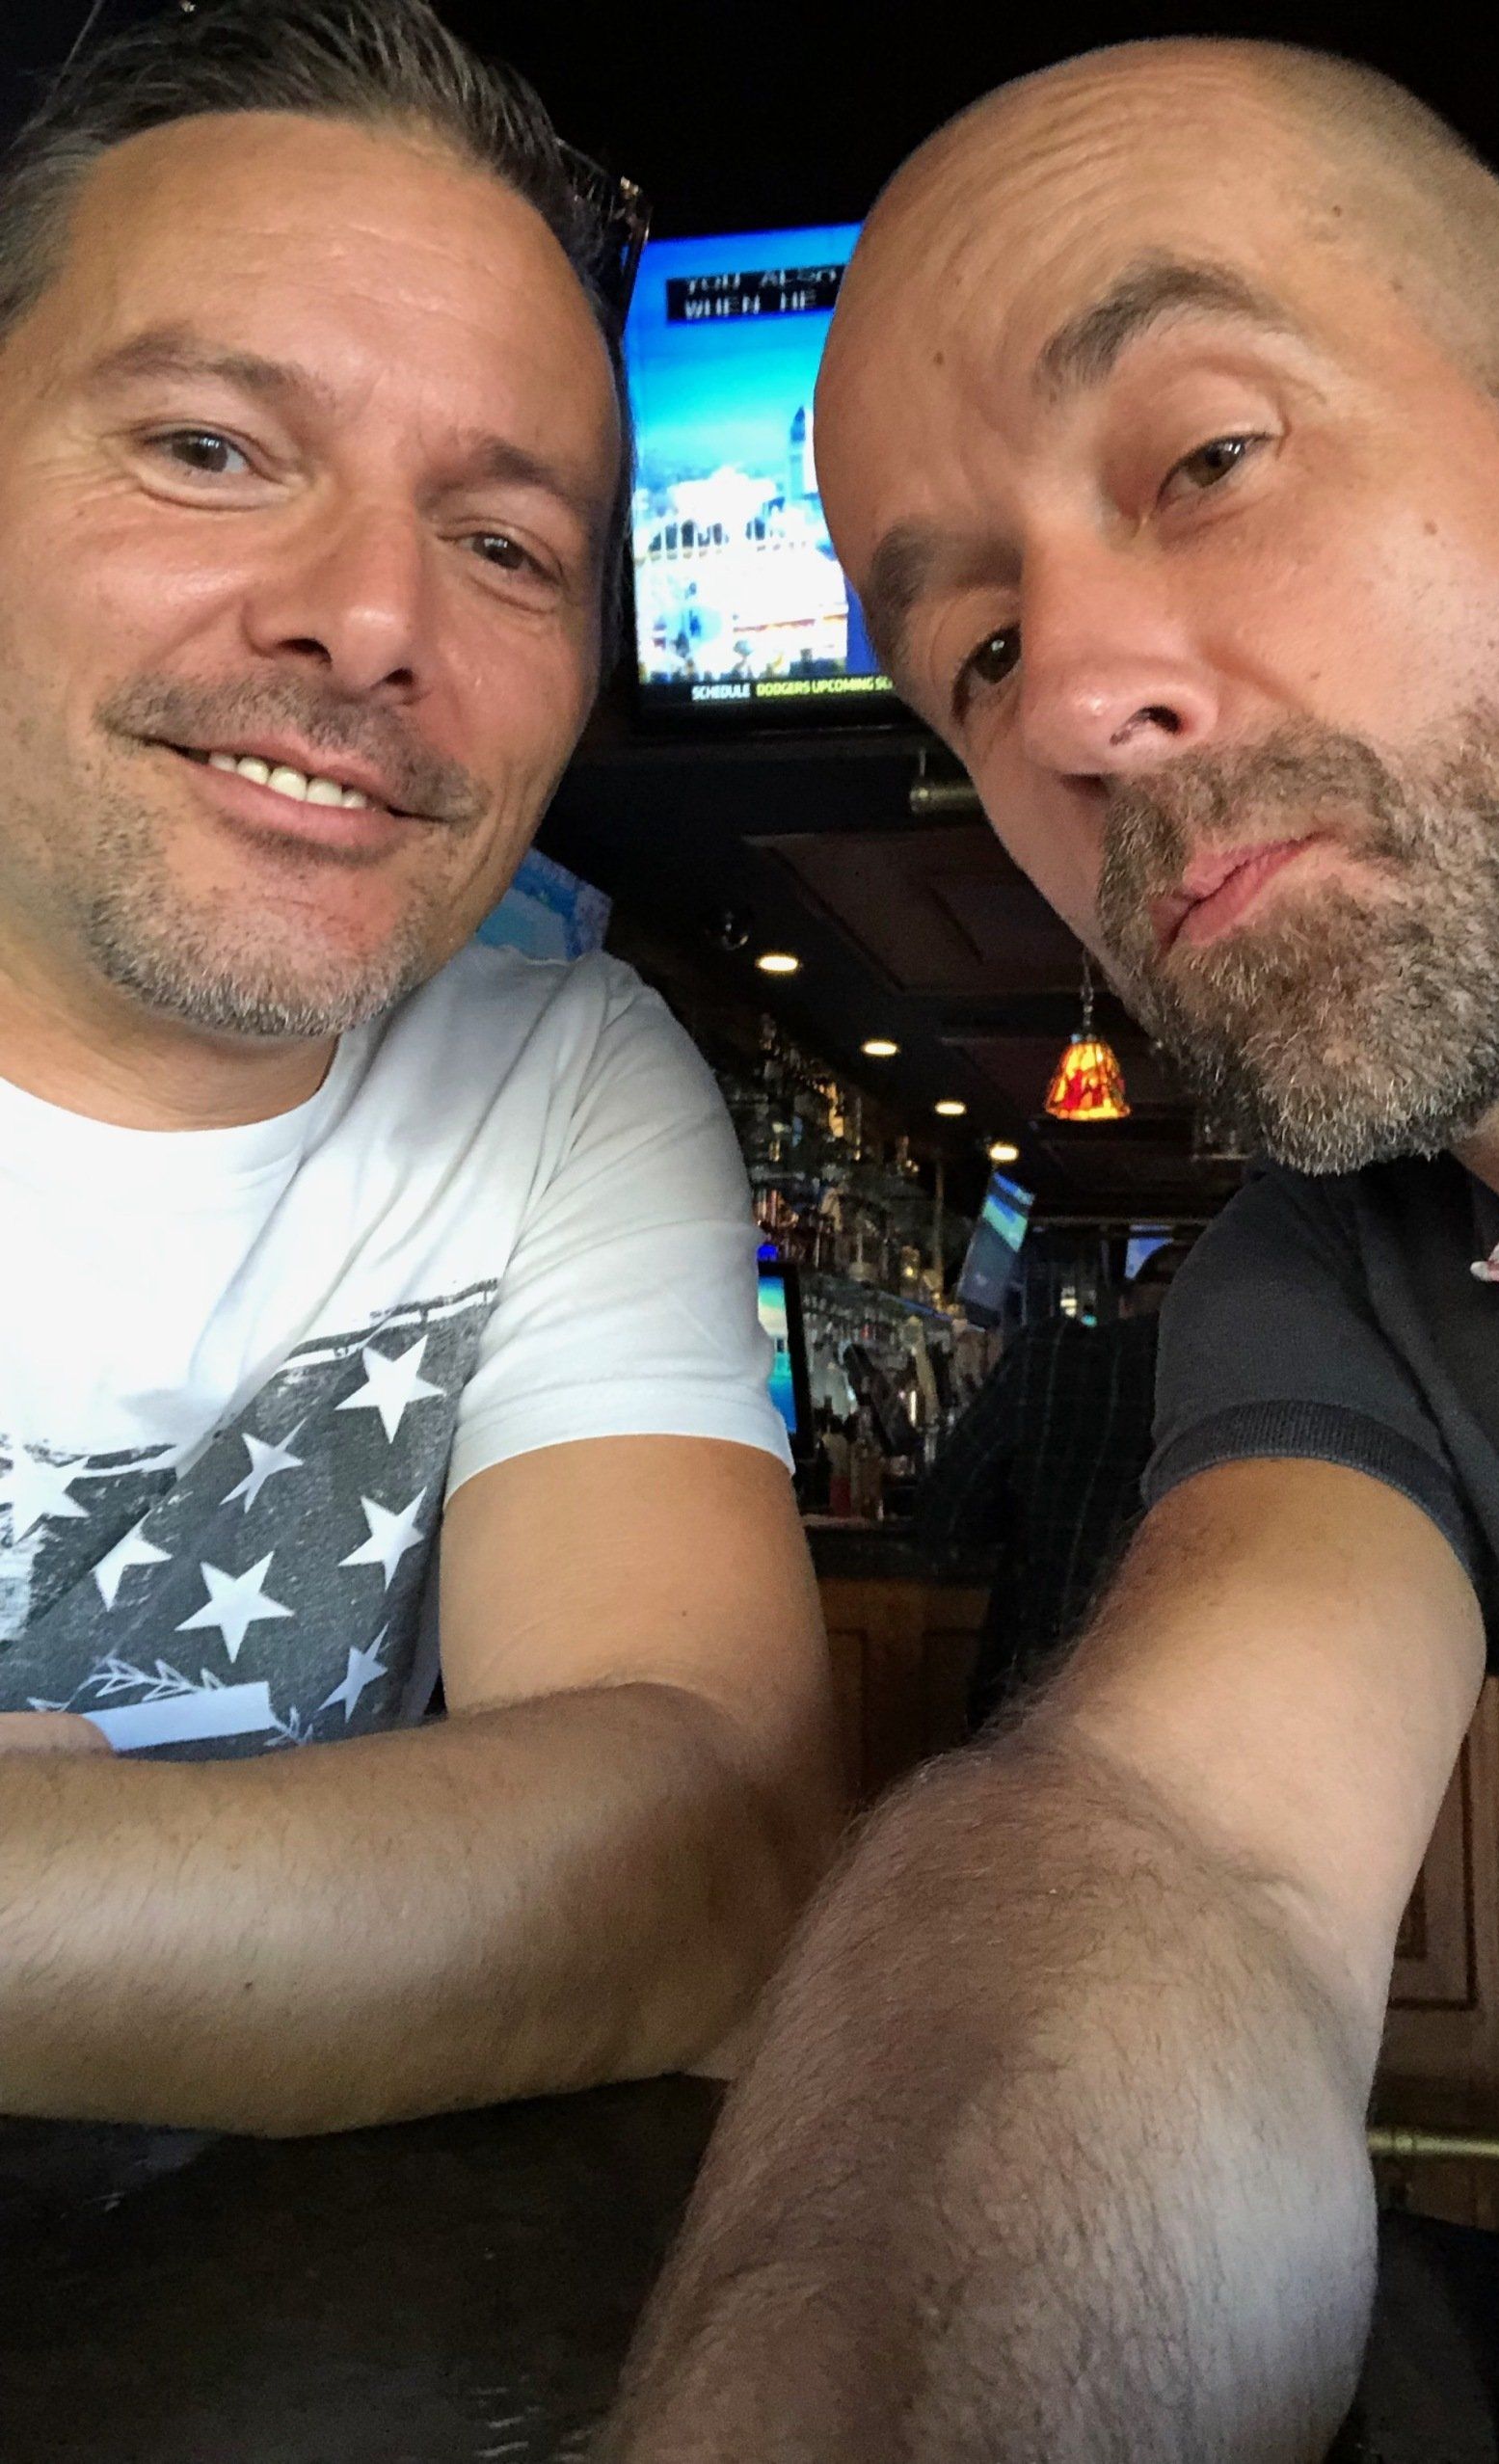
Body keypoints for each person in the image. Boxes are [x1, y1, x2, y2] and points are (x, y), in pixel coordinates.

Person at [603, 36, 1499, 2463]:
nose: (1076, 704)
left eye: (1206, 459)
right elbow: (1182, 1858)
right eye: (975, 654)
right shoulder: (1337, 1282)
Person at [0, 0, 840, 2139]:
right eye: (209, 447)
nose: (372, 620)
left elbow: (712, 1848)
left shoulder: (558, 1078)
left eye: (503, 547)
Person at [918, 1245, 1185, 1723]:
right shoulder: (1239, 1397)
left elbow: (947, 1508)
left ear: (1124, 1304)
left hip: (1028, 1696)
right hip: (1171, 1706)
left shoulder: (1050, 1355)